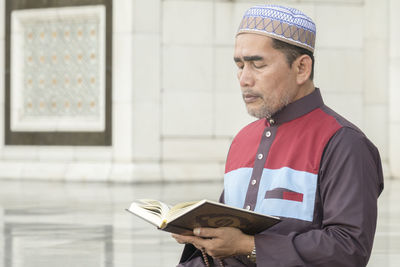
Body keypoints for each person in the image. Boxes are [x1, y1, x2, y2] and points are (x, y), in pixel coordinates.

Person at [172, 4, 384, 267]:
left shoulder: (344, 144)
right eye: (239, 65)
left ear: (301, 68)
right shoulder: (242, 140)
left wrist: (247, 246)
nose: (243, 79)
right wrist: (202, 237)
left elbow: (348, 249)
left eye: (257, 65)